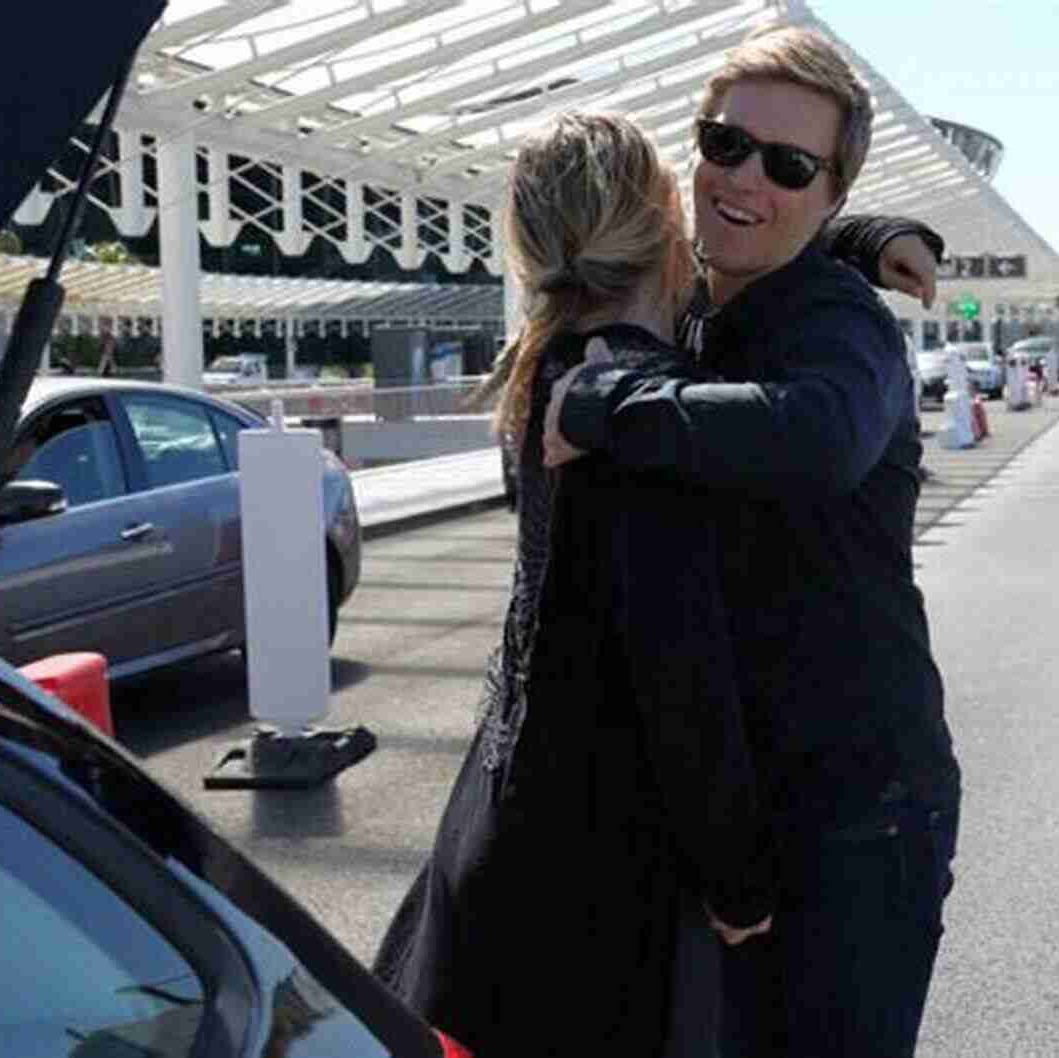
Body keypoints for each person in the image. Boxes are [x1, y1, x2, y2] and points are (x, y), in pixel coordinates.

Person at [544, 24, 961, 1057]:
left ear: (826, 190)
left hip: (856, 819)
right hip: (735, 812)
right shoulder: (696, 300)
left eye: (786, 165)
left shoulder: (840, 326)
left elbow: (816, 435)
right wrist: (855, 224)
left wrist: (607, 401)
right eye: (724, 144)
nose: (743, 179)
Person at [372, 111, 777, 1058]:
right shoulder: (644, 410)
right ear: (666, 219)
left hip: (501, 833)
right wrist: (739, 876)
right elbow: (676, 665)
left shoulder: (549, 371)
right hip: (595, 881)